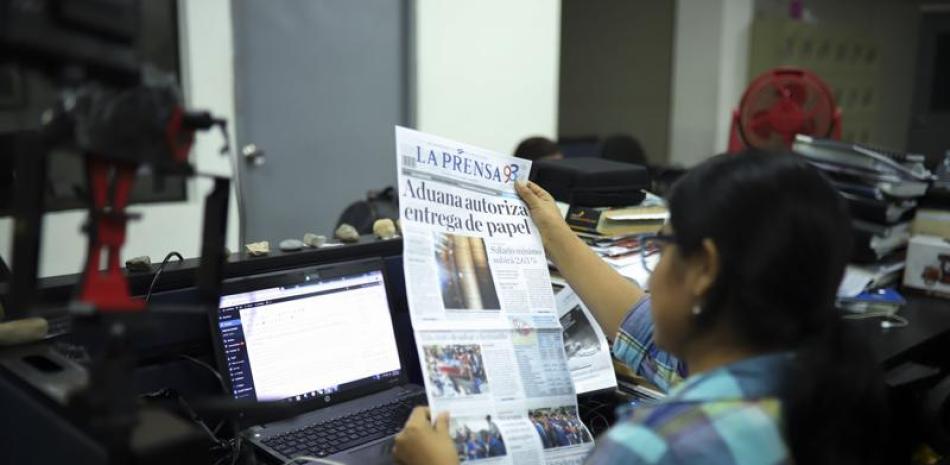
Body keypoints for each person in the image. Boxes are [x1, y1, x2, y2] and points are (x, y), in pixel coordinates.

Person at [393, 151, 888, 465]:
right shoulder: (817, 389)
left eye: (662, 244)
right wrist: (556, 234)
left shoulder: (652, 448)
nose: (652, 270)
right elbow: (641, 327)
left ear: (704, 269)